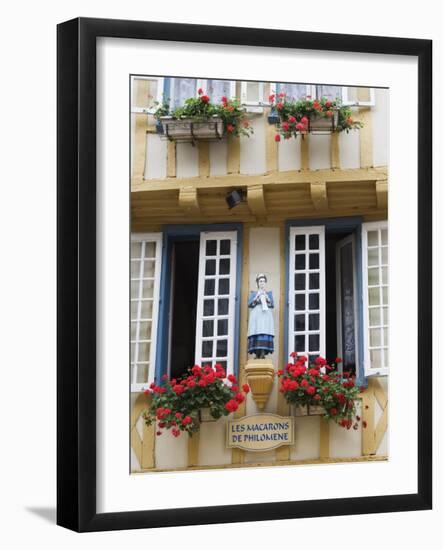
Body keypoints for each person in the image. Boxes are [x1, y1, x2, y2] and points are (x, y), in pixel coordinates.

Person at [247, 274, 275, 359]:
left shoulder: (269, 293)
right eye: (260, 281)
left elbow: (272, 304)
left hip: (266, 315)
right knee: (256, 331)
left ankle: (263, 352)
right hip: (256, 314)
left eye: (263, 281)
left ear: (265, 282)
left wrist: (267, 298)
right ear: (258, 283)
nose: (262, 283)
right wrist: (257, 297)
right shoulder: (254, 293)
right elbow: (250, 304)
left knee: (264, 331)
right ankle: (256, 353)